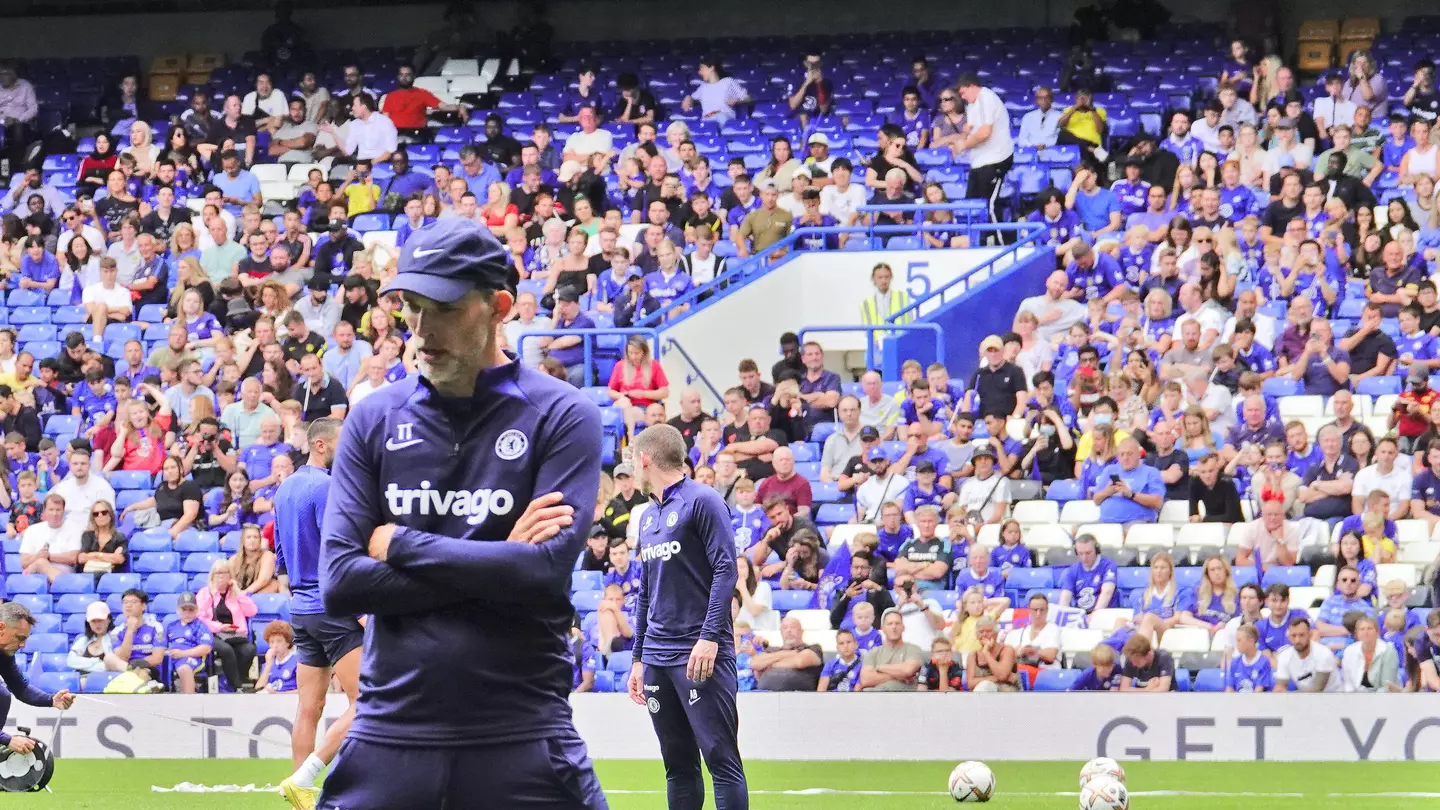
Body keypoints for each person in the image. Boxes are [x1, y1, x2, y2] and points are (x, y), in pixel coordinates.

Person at [319, 217, 608, 809]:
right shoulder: (373, 419)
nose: (421, 332)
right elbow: (342, 583)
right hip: (387, 733)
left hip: (523, 735)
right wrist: (501, 560)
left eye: (444, 309)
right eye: (411, 309)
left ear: (498, 306)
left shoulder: (563, 415)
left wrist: (400, 545)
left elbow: (544, 572)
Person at [621, 424, 748, 808]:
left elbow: (727, 570)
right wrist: (638, 658)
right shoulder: (645, 517)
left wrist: (710, 638)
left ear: (645, 459)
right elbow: (646, 591)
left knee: (721, 760)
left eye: (633, 461)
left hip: (699, 652)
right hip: (658, 657)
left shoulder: (704, 501)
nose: (632, 469)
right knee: (677, 766)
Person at [274, 418, 361, 809]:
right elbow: (336, 548)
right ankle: (308, 775)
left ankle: (299, 795)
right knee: (370, 701)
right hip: (332, 606)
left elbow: (279, 556)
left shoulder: (284, 488)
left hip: (301, 609)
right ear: (322, 445)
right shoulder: (327, 487)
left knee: (309, 707)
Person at [0, 602, 76, 756]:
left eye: (25, 639)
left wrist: (52, 700)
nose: (22, 645)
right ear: (1, 628)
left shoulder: (4, 654)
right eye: (19, 638)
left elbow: (21, 689)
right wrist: (6, 739)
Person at [196, 560, 257, 691]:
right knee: (226, 650)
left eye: (224, 573)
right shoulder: (205, 593)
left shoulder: (235, 594)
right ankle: (237, 686)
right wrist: (219, 627)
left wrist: (238, 592)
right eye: (217, 573)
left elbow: (252, 611)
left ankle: (232, 682)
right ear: (212, 576)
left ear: (230, 576)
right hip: (213, 633)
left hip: (235, 634)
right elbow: (200, 618)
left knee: (249, 650)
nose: (221, 576)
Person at [749, 615, 822, 692]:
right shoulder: (772, 650)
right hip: (766, 695)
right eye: (785, 628)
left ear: (801, 631)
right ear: (781, 632)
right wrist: (788, 654)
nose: (789, 630)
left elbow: (799, 662)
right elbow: (755, 663)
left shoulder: (813, 648)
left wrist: (769, 664)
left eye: (793, 627)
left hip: (800, 696)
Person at [859, 607, 925, 691]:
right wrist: (899, 675)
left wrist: (879, 668)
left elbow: (908, 670)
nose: (894, 627)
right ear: (883, 628)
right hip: (875, 698)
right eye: (890, 624)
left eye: (897, 623)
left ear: (903, 627)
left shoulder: (913, 649)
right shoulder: (873, 653)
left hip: (904, 698)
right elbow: (866, 680)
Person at [163, 592, 214, 694]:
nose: (187, 613)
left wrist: (182, 654)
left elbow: (206, 648)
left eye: (191, 610)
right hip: (170, 657)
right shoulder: (171, 626)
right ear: (178, 610)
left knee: (184, 668)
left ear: (196, 610)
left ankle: (189, 701)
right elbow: (161, 645)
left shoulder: (200, 626)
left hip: (191, 657)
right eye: (184, 609)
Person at [1275, 615, 1339, 692]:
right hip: (1303, 698)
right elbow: (1280, 687)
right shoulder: (1285, 656)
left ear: (1309, 634)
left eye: (1301, 635)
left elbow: (1317, 689)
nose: (1297, 640)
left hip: (1332, 697)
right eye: (1293, 636)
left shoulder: (1323, 653)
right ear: (1288, 637)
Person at [1341, 614, 1399, 692]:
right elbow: (1348, 684)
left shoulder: (1388, 650)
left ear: (1377, 632)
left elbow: (1387, 686)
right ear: (1356, 633)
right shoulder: (1349, 651)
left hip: (1383, 696)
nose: (1366, 632)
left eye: (1369, 628)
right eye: (1362, 629)